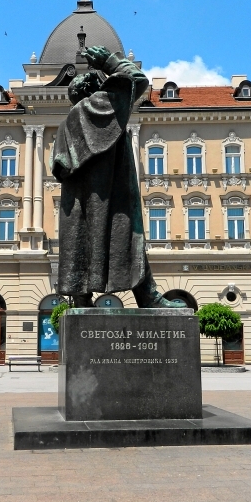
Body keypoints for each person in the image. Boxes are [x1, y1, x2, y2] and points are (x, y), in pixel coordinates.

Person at [51, 45, 185, 309]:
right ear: (96, 91)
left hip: (83, 203)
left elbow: (61, 166)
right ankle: (148, 297)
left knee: (82, 242)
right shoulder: (99, 107)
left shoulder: (68, 122)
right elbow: (137, 81)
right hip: (112, 197)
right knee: (130, 239)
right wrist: (109, 62)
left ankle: (81, 298)